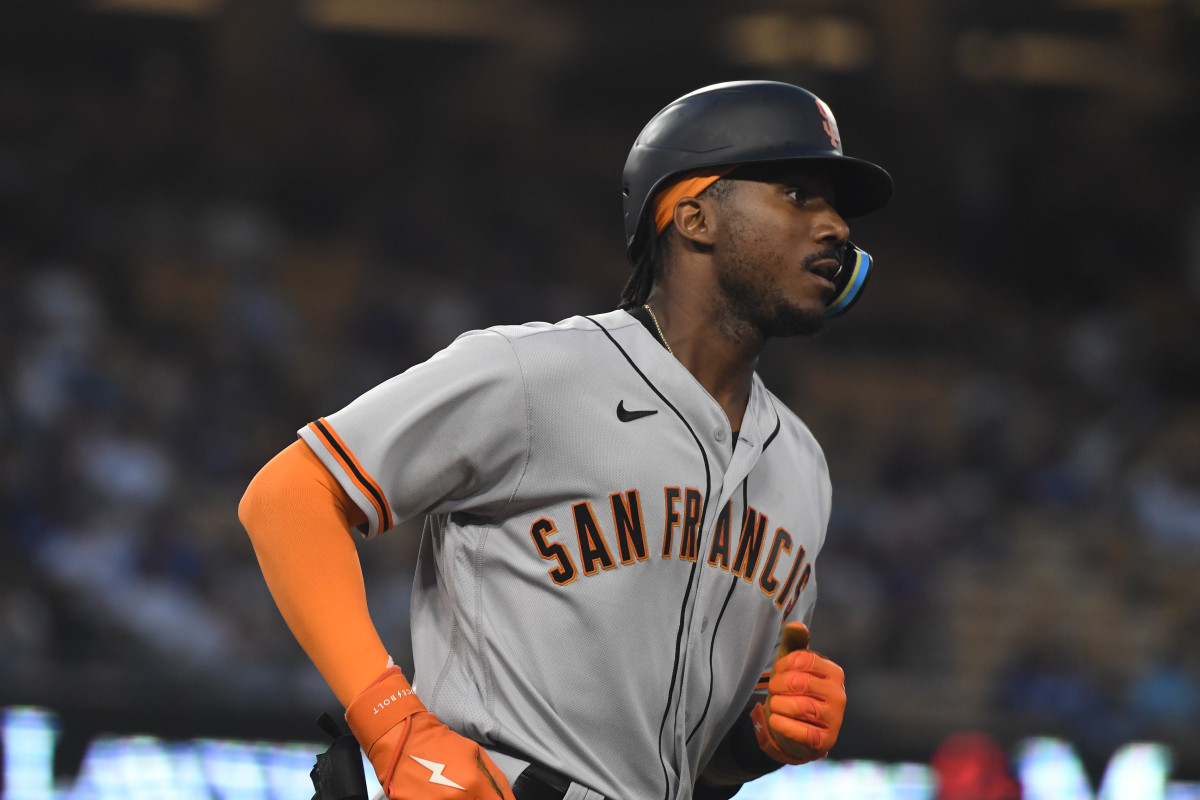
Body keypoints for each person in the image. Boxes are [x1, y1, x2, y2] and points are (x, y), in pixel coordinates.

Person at [239, 80, 893, 800]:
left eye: (837, 208)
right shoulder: (536, 374)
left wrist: (760, 740)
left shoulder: (803, 467)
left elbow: (688, 770)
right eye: (798, 194)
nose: (835, 226)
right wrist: (396, 729)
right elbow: (287, 496)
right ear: (694, 215)